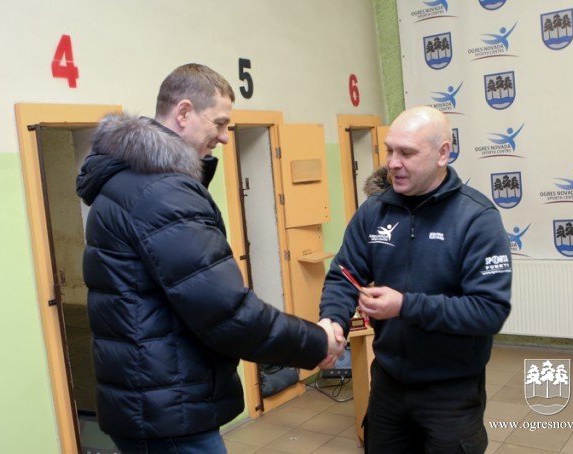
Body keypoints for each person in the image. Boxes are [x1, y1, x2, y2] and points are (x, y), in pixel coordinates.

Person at [76, 63, 344, 453]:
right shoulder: (161, 192)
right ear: (184, 112)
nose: (224, 137)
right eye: (218, 123)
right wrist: (317, 342)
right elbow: (228, 312)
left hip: (152, 401)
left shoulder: (131, 181)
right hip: (169, 410)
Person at [319, 106, 512, 453]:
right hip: (388, 383)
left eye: (407, 153)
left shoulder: (476, 218)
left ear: (442, 153)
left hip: (450, 391)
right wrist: (332, 320)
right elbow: (343, 275)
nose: (393, 163)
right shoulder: (374, 211)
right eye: (390, 150)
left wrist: (405, 306)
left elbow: (489, 311)